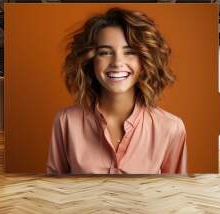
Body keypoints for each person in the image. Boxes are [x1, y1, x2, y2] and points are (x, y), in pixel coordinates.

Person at [47, 7, 187, 174]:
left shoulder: (171, 128)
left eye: (130, 52)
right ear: (91, 61)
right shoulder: (65, 122)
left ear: (145, 61)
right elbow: (54, 190)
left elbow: (174, 193)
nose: (117, 62)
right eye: (105, 52)